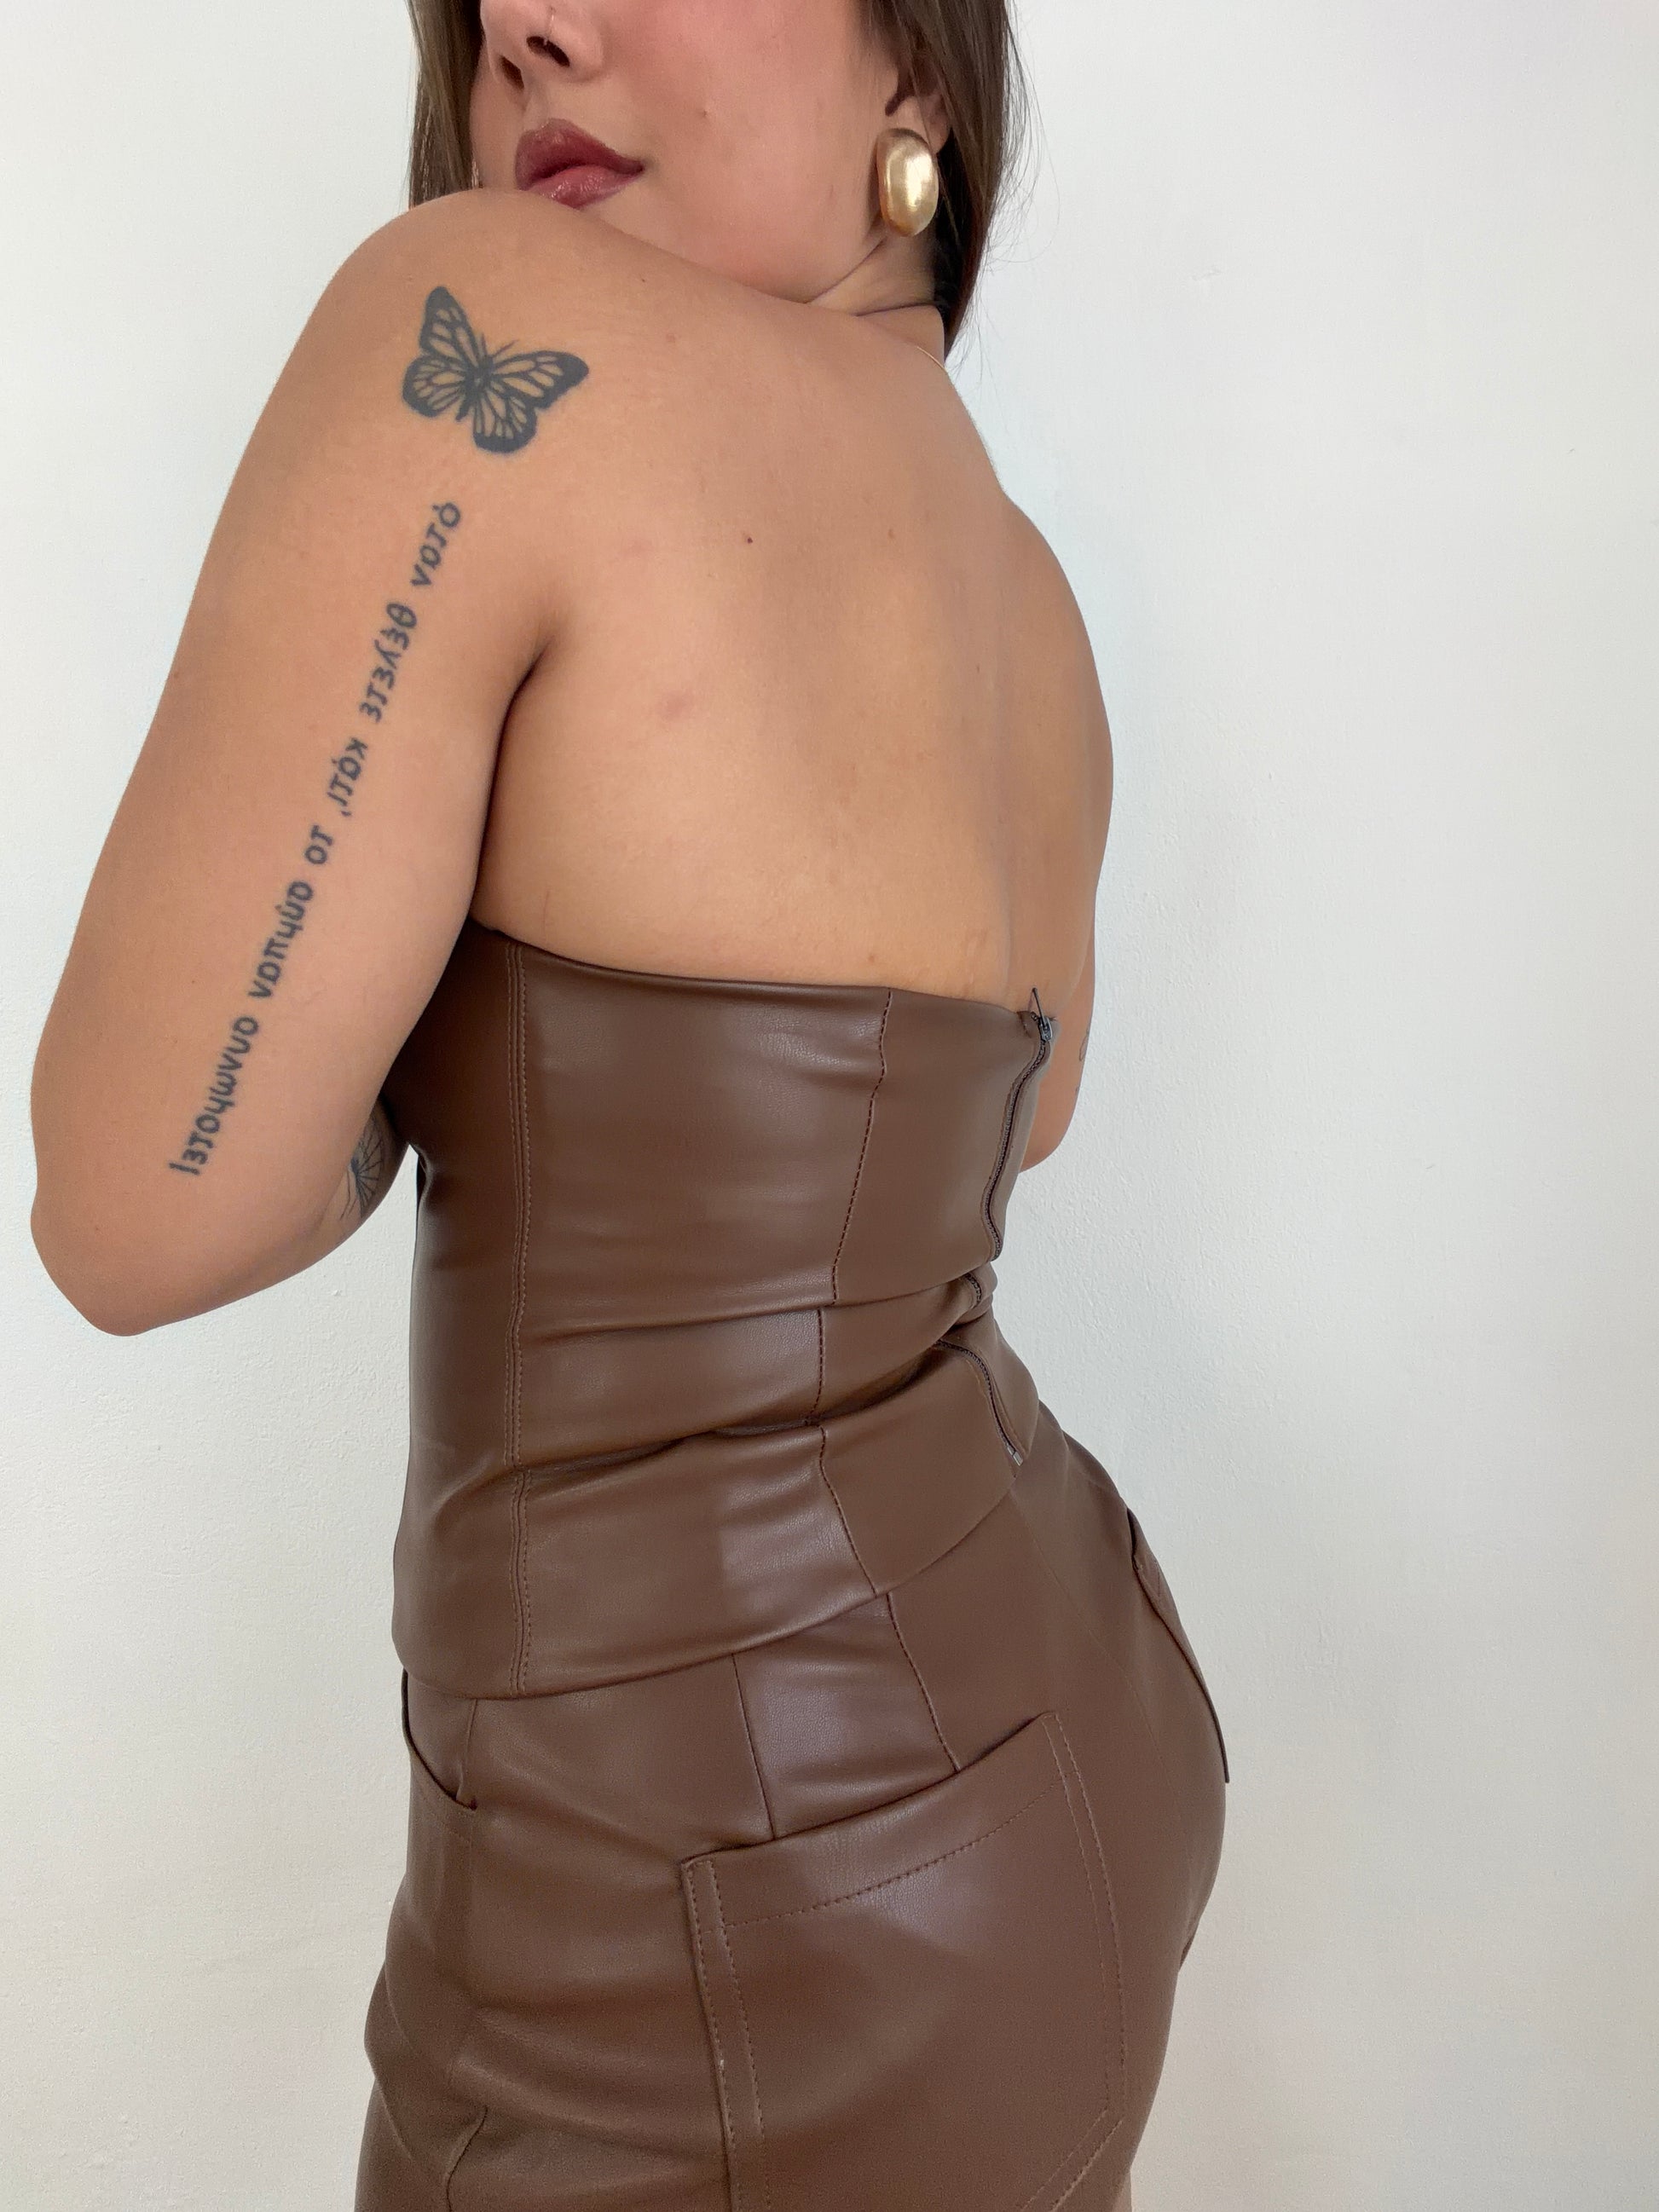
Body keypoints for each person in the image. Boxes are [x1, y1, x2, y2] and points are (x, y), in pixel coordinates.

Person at [28, 2, 1228, 2204]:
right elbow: (1019, 1121)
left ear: (917, 69)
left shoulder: (488, 331)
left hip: (711, 1912)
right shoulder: (1024, 592)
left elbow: (132, 1207)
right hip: (1067, 1737)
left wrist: (430, 1006)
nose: (525, 25)